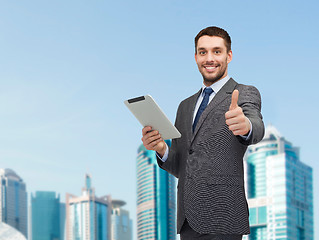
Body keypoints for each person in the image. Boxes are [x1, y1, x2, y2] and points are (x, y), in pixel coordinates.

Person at [141, 26, 264, 240]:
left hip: (223, 217)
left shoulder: (244, 92)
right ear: (196, 57)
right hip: (188, 219)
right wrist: (161, 149)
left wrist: (245, 125)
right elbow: (181, 166)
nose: (209, 58)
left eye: (217, 51)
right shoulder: (185, 106)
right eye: (203, 52)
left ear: (229, 55)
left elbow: (256, 126)